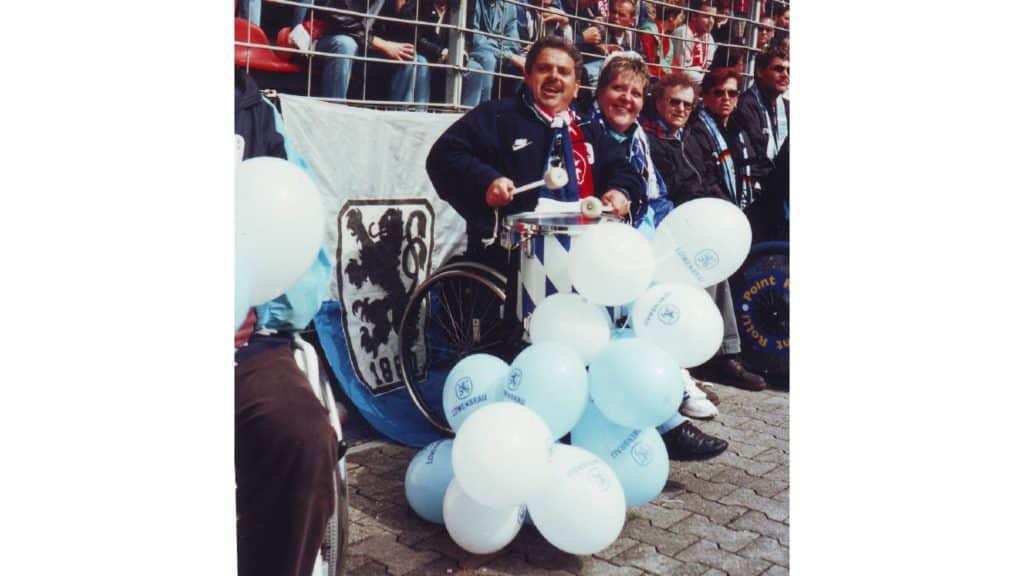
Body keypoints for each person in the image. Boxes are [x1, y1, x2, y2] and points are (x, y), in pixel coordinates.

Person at [588, 55, 728, 461]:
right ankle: (669, 419)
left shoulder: (636, 139)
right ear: (599, 93)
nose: (626, 99)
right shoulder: (584, 131)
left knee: (672, 287)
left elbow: (653, 194)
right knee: (647, 300)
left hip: (639, 232)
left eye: (634, 93)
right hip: (598, 245)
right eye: (618, 89)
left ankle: (671, 380)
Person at [234, 69, 338, 576]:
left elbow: (307, 264)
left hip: (243, 345)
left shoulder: (259, 122)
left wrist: (258, 309)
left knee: (302, 437)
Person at [426, 35, 646, 272]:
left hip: (583, 256)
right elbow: (444, 155)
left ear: (576, 88)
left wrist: (619, 191)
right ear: (527, 77)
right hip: (510, 256)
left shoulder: (588, 129)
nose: (554, 76)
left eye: (563, 72)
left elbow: (624, 171)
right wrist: (487, 181)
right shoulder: (497, 116)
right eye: (544, 69)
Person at [685, 66, 770, 391]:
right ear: (705, 97)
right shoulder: (697, 129)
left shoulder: (734, 127)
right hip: (711, 218)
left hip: (735, 212)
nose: (726, 99)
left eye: (732, 93)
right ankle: (721, 356)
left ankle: (739, 346)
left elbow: (750, 166)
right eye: (718, 93)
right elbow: (705, 179)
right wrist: (730, 213)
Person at [315, 0, 429, 105]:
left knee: (409, 57)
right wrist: (381, 44)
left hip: (365, 46)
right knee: (346, 44)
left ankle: (397, 118)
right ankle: (336, 109)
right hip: (327, 38)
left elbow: (404, 32)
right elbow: (337, 18)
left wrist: (401, 7)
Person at [462, 0, 525, 107]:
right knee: (489, 59)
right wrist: (507, 55)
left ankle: (511, 113)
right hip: (473, 51)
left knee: (522, 65)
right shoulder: (474, 2)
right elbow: (475, 39)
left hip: (500, 51)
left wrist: (504, 53)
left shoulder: (509, 5)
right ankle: (483, 110)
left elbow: (513, 42)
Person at [671, 0, 718, 83]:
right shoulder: (683, 32)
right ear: (694, 16)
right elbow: (683, 70)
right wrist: (708, 77)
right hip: (680, 81)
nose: (711, 21)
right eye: (706, 16)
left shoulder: (709, 37)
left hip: (701, 80)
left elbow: (710, 67)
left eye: (713, 17)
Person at [639, 0, 684, 79]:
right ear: (671, 17)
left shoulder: (668, 40)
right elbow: (651, 63)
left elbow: (674, 66)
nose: (681, 21)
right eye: (680, 17)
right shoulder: (649, 31)